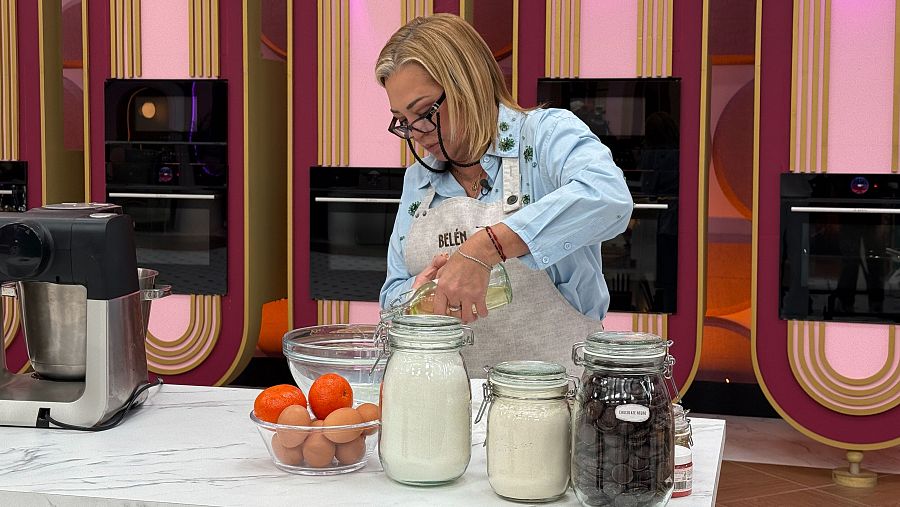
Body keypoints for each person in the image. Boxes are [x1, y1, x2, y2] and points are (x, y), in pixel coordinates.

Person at [375, 14, 633, 375]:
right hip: (450, 395)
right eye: (402, 120)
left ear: (468, 84)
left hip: (557, 392)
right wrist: (418, 297)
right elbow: (391, 299)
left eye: (423, 112)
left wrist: (484, 248)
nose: (416, 132)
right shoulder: (419, 182)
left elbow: (610, 199)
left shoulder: (544, 138)